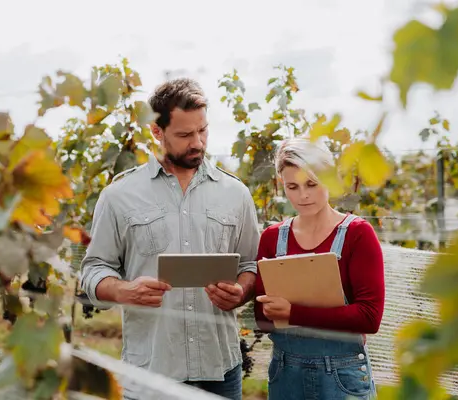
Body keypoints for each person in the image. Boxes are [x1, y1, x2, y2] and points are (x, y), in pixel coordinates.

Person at [79, 78, 260, 400]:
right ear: (156, 131)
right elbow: (94, 269)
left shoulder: (236, 194)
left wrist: (241, 291)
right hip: (150, 371)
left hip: (219, 369)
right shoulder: (119, 195)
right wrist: (124, 290)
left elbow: (252, 265)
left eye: (203, 130)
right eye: (185, 135)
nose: (199, 143)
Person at [253, 137, 385, 400]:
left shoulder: (358, 234)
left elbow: (369, 317)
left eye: (312, 184)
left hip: (342, 376)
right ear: (282, 185)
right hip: (286, 372)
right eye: (292, 186)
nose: (303, 195)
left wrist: (293, 312)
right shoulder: (271, 238)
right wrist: (272, 311)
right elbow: (263, 319)